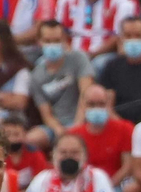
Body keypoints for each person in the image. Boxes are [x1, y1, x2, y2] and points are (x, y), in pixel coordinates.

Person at [57, 0, 135, 74]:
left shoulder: (119, 0)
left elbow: (118, 37)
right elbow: (59, 33)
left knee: (97, 65)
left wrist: (93, 54)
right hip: (71, 53)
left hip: (103, 55)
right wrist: (72, 54)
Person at [30, 19, 97, 148]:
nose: (52, 45)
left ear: (64, 40)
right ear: (39, 42)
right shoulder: (36, 75)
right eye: (47, 41)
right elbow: (46, 113)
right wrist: (59, 129)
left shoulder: (78, 58)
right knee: (32, 139)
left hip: (83, 120)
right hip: (57, 125)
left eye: (56, 40)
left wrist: (77, 126)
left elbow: (86, 93)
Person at [70, 84, 137, 187]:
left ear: (108, 105)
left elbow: (128, 166)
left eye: (101, 104)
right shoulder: (73, 135)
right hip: (84, 186)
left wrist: (106, 186)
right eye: (91, 104)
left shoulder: (125, 128)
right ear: (83, 106)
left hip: (116, 185)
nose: (96, 108)